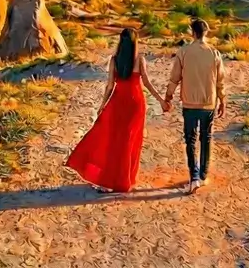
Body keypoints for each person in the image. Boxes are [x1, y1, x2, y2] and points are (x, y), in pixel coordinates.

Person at [66, 27, 165, 193]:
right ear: (135, 43)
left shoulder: (114, 60)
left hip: (117, 102)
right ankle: (125, 180)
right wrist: (161, 100)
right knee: (130, 142)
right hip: (135, 104)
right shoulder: (140, 60)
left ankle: (109, 180)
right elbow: (147, 83)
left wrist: (102, 105)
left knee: (113, 141)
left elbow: (110, 86)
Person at [163, 18, 226, 194]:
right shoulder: (214, 53)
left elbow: (174, 78)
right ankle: (204, 175)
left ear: (193, 32)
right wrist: (222, 100)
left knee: (190, 139)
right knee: (206, 138)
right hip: (209, 103)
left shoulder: (184, 52)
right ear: (206, 33)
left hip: (190, 104)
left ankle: (194, 178)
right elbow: (220, 81)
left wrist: (168, 97)